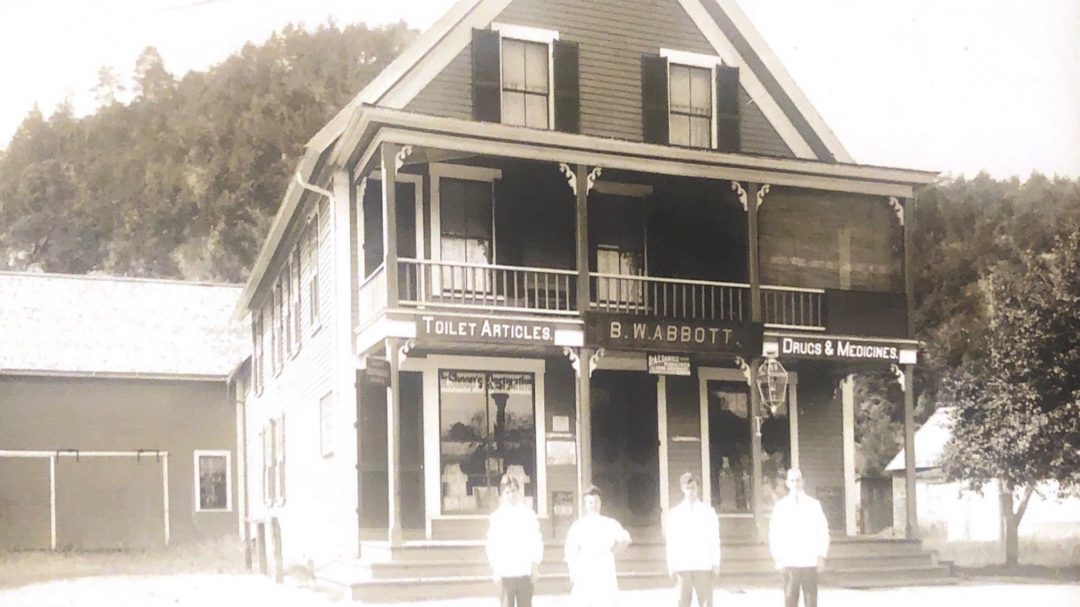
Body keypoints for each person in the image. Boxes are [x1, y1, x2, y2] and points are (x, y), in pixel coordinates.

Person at [768, 469, 830, 607]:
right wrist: (778, 558)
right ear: (787, 483)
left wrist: (821, 556)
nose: (795, 483)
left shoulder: (813, 505)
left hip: (809, 560)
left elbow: (823, 531)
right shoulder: (781, 507)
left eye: (798, 480)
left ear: (803, 482)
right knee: (790, 597)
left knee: (810, 599)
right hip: (790, 560)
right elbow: (774, 533)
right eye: (792, 480)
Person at [563, 485, 631, 607]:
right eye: (590, 502)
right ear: (585, 505)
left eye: (596, 502)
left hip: (605, 566)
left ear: (600, 503)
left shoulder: (609, 523)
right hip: (585, 566)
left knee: (606, 600)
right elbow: (570, 551)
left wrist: (611, 553)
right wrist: (573, 572)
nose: (593, 505)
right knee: (585, 600)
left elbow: (625, 539)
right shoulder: (579, 525)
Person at [486, 474, 544, 607]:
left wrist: (535, 566)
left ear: (519, 492)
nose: (511, 495)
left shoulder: (529, 515)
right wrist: (495, 569)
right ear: (502, 495)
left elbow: (536, 541)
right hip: (506, 571)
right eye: (507, 492)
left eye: (513, 491)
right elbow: (492, 545)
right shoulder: (497, 517)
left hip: (525, 571)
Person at [665, 472, 721, 607]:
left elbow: (714, 538)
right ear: (682, 489)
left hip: (703, 563)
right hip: (683, 563)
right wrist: (671, 565)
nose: (691, 491)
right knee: (683, 602)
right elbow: (671, 541)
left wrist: (716, 562)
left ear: (698, 488)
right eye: (688, 488)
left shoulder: (708, 512)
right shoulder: (675, 513)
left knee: (706, 602)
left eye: (693, 488)